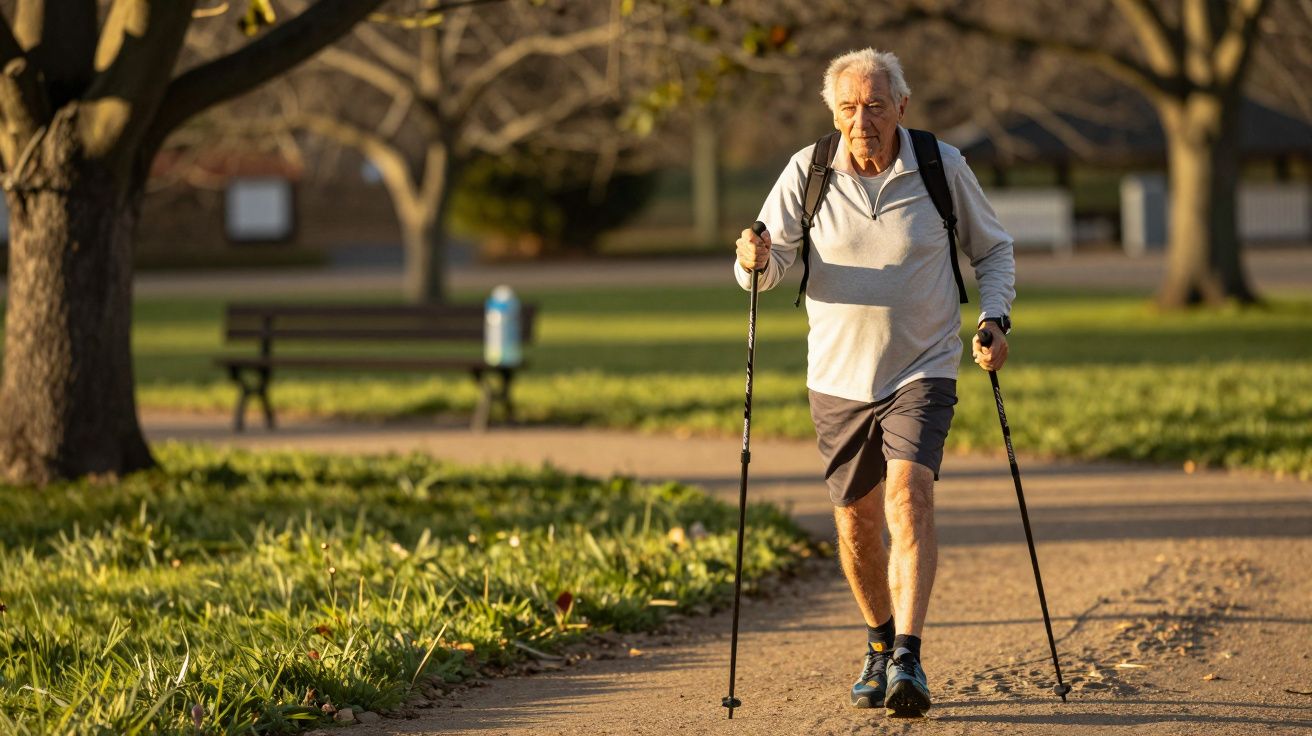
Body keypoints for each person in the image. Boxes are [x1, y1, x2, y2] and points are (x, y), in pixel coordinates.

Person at [732, 47, 1015, 718]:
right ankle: (879, 641)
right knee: (856, 525)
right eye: (849, 109)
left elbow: (993, 248)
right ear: (833, 112)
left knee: (909, 495)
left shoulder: (941, 166)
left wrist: (995, 319)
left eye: (876, 107)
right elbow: (765, 270)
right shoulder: (809, 170)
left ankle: (909, 658)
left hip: (924, 367)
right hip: (836, 380)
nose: (863, 122)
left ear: (901, 108)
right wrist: (753, 259)